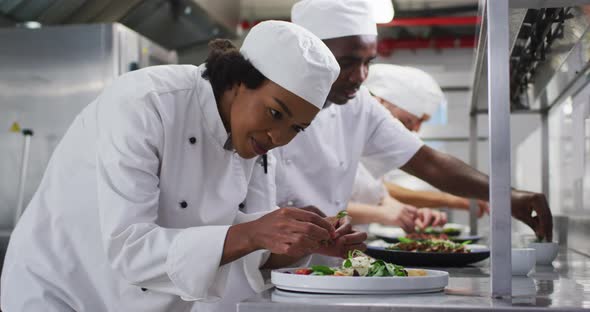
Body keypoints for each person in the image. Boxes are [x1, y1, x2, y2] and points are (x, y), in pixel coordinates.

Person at [0, 21, 353, 312]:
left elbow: (244, 253)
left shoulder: (257, 142)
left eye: (297, 128)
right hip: (62, 293)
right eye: (276, 113)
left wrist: (297, 241)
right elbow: (131, 248)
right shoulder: (145, 104)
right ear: (239, 81)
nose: (279, 137)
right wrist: (254, 232)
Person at [272, 0, 552, 242]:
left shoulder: (358, 105)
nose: (360, 76)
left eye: (368, 62)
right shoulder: (268, 105)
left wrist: (505, 194)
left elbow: (427, 161)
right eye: (346, 63)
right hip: (264, 269)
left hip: (327, 266)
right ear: (310, 54)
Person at [347, 64, 490, 232]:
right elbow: (324, 203)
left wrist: (409, 213)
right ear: (382, 102)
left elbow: (378, 194)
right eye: (410, 120)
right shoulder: (345, 134)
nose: (416, 129)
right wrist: (380, 213)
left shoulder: (368, 142)